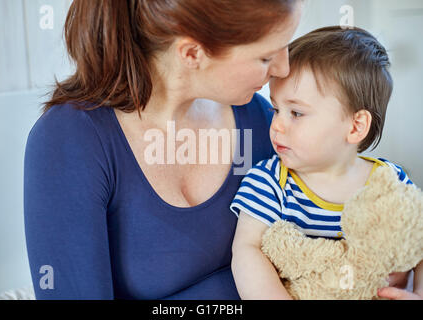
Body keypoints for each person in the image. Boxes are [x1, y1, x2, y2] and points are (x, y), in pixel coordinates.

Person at [23, 0, 303, 299]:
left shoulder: (262, 123)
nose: (283, 69)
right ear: (192, 53)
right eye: (265, 57)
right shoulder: (71, 142)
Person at [230, 26, 423, 300]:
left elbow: (419, 239)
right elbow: (247, 250)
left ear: (356, 127)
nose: (277, 125)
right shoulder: (270, 181)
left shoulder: (389, 180)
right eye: (276, 109)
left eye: (296, 112)